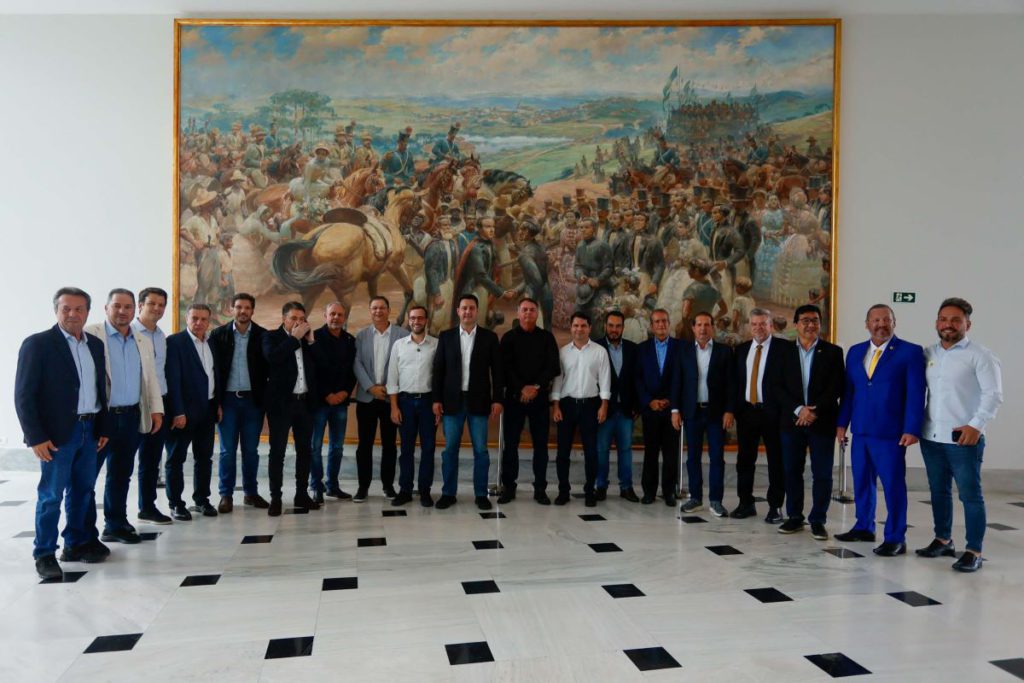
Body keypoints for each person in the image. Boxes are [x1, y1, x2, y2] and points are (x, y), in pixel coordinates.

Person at [16, 288, 110, 579]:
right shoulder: (38, 344)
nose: (72, 314)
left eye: (79, 309)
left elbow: (100, 388)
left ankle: (75, 543)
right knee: (51, 496)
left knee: (83, 491)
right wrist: (36, 437)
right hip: (57, 435)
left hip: (89, 429)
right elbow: (24, 396)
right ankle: (44, 553)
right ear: (56, 310)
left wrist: (102, 427)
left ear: (87, 312)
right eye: (66, 308)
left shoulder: (95, 345)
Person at [916, 298, 1002, 572]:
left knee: (970, 495)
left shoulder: (981, 355)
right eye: (944, 319)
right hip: (932, 436)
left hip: (963, 439)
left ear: (967, 324)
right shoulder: (928, 354)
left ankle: (974, 550)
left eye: (956, 320)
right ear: (936, 322)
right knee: (938, 491)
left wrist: (976, 426)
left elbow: (993, 395)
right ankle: (943, 540)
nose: (948, 325)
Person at [836, 304, 925, 557]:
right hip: (861, 430)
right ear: (867, 324)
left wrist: (912, 428)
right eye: (875, 320)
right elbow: (849, 392)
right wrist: (842, 423)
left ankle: (896, 537)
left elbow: (916, 394)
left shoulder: (910, 352)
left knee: (893, 486)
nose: (881, 324)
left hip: (891, 434)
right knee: (862, 481)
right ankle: (864, 526)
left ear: (894, 322)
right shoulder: (855, 352)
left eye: (887, 319)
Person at [84, 289, 163, 545]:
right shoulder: (90, 335)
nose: (122, 311)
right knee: (87, 478)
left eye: (127, 307)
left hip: (130, 417)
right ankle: (83, 534)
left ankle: (116, 524)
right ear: (106, 308)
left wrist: (156, 410)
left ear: (135, 309)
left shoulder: (142, 340)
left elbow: (150, 379)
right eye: (117, 306)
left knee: (120, 474)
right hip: (101, 418)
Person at [775, 305, 845, 540]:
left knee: (822, 473)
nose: (810, 325)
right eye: (805, 320)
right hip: (791, 421)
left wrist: (813, 410)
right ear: (796, 324)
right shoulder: (782, 351)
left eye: (815, 320)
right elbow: (775, 386)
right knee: (791, 471)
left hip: (821, 420)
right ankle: (794, 517)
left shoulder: (833, 352)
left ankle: (818, 519)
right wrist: (799, 410)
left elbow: (836, 386)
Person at [432, 294, 504, 511]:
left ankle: (481, 494)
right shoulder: (446, 337)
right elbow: (438, 370)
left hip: (479, 402)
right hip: (451, 402)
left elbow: (498, 372)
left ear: (477, 311)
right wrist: (436, 399)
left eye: (471, 308)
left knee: (481, 450)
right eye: (464, 308)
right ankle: (448, 493)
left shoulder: (489, 338)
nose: (467, 312)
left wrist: (497, 399)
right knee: (450, 450)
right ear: (458, 311)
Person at [497, 298, 561, 505]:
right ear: (518, 313)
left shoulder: (547, 338)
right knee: (510, 445)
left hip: (539, 399)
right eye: (524, 310)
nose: (528, 313)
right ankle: (509, 487)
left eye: (532, 310)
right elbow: (504, 368)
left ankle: (540, 489)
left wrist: (535, 387)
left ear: (537, 313)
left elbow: (553, 367)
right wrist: (521, 388)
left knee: (541, 446)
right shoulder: (508, 338)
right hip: (514, 399)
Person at [210, 293, 270, 512]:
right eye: (239, 307)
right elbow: (213, 371)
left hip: (253, 402)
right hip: (227, 401)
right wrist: (216, 403)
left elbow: (269, 368)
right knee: (227, 451)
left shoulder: (263, 335)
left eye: (247, 307)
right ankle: (225, 495)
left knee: (251, 451)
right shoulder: (218, 335)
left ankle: (250, 493)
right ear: (232, 309)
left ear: (252, 310)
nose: (243, 311)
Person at [673, 312, 735, 517]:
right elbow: (677, 382)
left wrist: (729, 410)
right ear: (693, 328)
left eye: (707, 324)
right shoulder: (683, 351)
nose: (703, 328)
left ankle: (716, 501)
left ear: (712, 327)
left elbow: (731, 384)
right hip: (692, 412)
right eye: (699, 325)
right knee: (693, 458)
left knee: (717, 458)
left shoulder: (724, 351)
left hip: (716, 413)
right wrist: (675, 410)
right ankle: (695, 498)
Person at [262, 301, 321, 516]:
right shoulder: (271, 337)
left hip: (304, 403)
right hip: (281, 405)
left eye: (302, 319)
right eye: (293, 318)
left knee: (305, 451)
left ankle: (301, 494)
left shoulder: (307, 340)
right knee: (277, 452)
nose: (298, 322)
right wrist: (294, 339)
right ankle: (276, 498)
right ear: (284, 319)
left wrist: (311, 341)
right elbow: (273, 358)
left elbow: (320, 366)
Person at [731, 307, 790, 522]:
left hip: (774, 414)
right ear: (749, 326)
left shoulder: (784, 349)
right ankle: (745, 503)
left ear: (770, 325)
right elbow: (736, 383)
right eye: (754, 324)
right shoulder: (741, 350)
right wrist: (735, 410)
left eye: (763, 324)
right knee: (745, 461)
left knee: (776, 461)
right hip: (747, 412)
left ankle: (775, 506)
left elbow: (789, 383)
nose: (758, 328)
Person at [164, 303, 219, 521]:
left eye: (203, 319)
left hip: (208, 410)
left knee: (204, 458)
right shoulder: (175, 342)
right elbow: (173, 379)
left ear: (209, 321)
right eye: (194, 318)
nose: (199, 323)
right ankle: (176, 503)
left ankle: (202, 500)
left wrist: (217, 405)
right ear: (187, 319)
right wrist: (177, 411)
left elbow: (215, 376)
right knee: (176, 459)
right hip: (183, 413)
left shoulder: (211, 342)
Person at [551, 312, 611, 507]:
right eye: (576, 325)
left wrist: (604, 406)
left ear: (589, 328)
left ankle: (589, 491)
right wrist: (556, 405)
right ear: (571, 328)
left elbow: (605, 380)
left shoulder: (600, 352)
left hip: (590, 405)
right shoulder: (563, 352)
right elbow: (558, 381)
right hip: (567, 405)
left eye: (583, 326)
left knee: (591, 452)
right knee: (563, 452)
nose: (579, 329)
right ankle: (563, 491)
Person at [353, 296, 410, 502]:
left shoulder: (402, 335)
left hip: (390, 399)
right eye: (374, 308)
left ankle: (388, 485)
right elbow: (357, 363)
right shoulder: (361, 335)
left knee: (390, 445)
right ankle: (363, 487)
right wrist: (371, 387)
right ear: (370, 311)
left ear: (389, 310)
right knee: (364, 445)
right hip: (367, 398)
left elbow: (405, 364)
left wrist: (388, 388)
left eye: (382, 308)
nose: (378, 311)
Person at [386, 305, 439, 507]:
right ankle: (405, 490)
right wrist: (394, 407)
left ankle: (425, 491)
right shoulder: (399, 345)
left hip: (428, 403)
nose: (416, 321)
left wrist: (438, 404)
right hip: (405, 402)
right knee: (406, 449)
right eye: (413, 318)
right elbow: (392, 377)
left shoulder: (436, 344)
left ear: (426, 320)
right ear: (409, 320)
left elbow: (440, 377)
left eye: (420, 318)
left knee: (428, 449)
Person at [309, 301, 357, 503]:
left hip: (341, 403)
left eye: (339, 314)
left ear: (344, 317)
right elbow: (312, 371)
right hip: (319, 402)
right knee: (315, 447)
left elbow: (353, 370)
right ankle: (316, 486)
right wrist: (327, 394)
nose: (336, 317)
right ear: (325, 316)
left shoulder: (350, 340)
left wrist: (345, 392)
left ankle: (333, 486)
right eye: (332, 314)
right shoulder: (313, 338)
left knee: (337, 447)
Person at [132, 287, 172, 524]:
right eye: (152, 304)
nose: (157, 308)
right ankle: (114, 520)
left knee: (151, 459)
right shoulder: (130, 333)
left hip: (160, 403)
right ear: (140, 305)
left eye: (161, 305)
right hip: (136, 403)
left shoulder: (161, 336)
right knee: (123, 463)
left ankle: (147, 507)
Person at [635, 308, 681, 505]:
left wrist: (671, 401)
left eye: (664, 321)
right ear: (651, 326)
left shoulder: (681, 347)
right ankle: (649, 492)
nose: (661, 325)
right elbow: (637, 379)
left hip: (672, 410)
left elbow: (683, 377)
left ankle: (669, 492)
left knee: (671, 453)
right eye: (657, 322)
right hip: (651, 409)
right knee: (651, 452)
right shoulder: (642, 349)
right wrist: (649, 401)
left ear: (669, 324)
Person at [595, 310, 640, 502]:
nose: (614, 329)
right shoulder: (596, 347)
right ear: (605, 326)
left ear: (623, 327)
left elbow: (638, 379)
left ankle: (626, 487)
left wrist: (637, 405)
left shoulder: (632, 349)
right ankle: (601, 486)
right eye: (611, 326)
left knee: (626, 450)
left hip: (626, 410)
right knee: (601, 450)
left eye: (618, 326)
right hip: (604, 410)